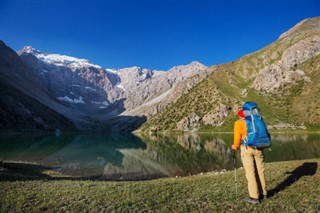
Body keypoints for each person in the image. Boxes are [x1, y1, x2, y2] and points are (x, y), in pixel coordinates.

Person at [232, 109, 267, 204]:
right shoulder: (257, 120)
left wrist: (235, 146)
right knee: (260, 171)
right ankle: (264, 193)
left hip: (247, 148)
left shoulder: (239, 123)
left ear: (240, 116)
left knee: (250, 172)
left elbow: (237, 138)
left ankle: (254, 197)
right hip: (259, 148)